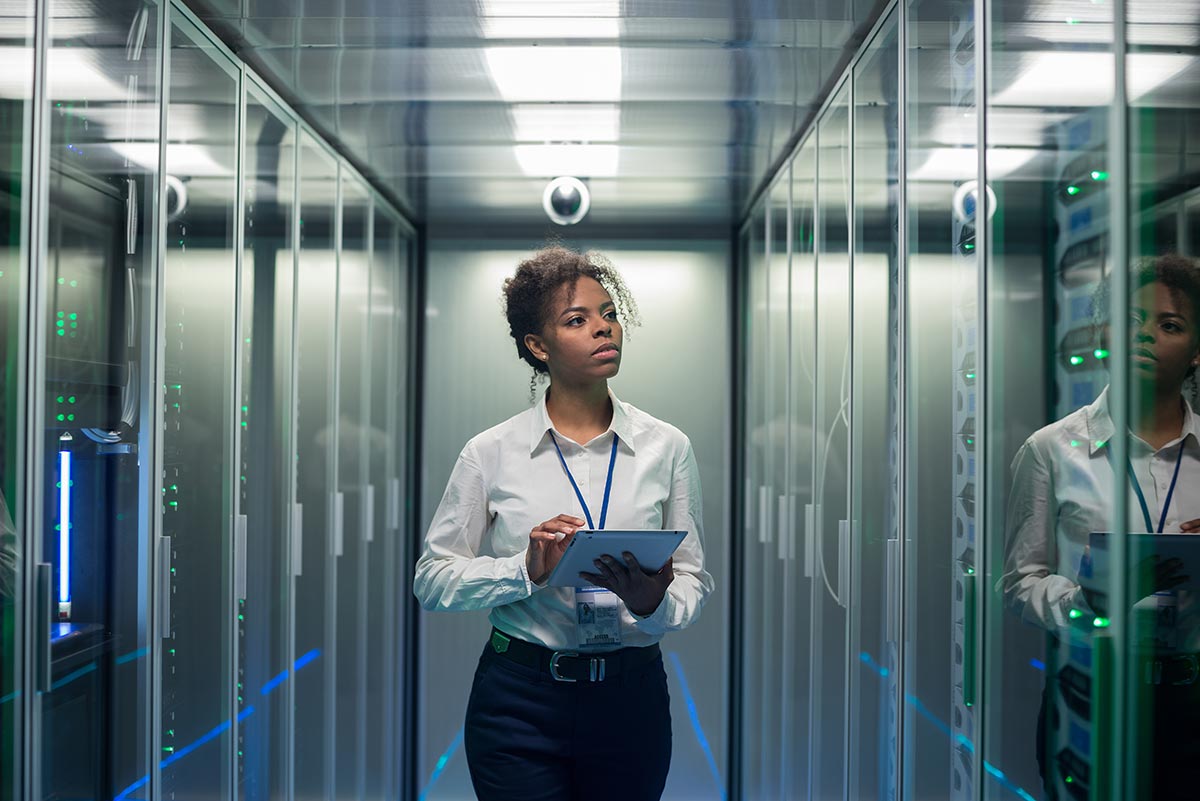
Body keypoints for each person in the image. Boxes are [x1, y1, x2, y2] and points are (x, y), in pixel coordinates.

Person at [413, 245, 714, 801]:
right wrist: (523, 571)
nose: (605, 329)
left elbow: (695, 578)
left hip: (630, 697)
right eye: (578, 320)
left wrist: (652, 604)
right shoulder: (490, 452)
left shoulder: (667, 447)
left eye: (609, 314)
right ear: (538, 346)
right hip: (519, 700)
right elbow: (432, 581)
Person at [1000, 253, 1200, 800]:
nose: (1144, 336)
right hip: (1093, 694)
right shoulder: (1053, 449)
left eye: (1169, 324)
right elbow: (1019, 583)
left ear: (1197, 352)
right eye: (1130, 320)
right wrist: (1091, 601)